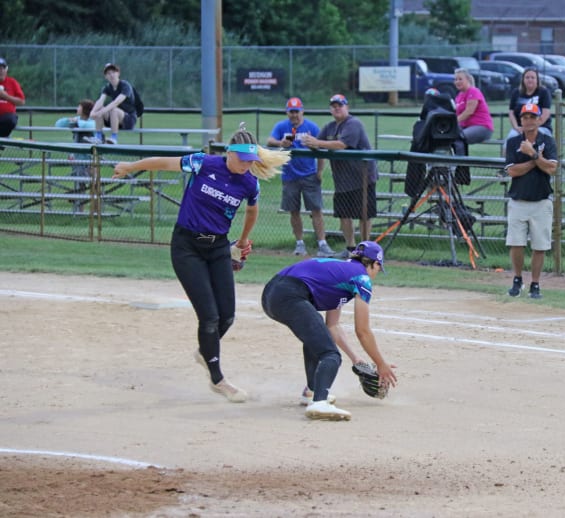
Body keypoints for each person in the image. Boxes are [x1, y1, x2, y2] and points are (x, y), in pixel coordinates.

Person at [112, 123, 290, 402]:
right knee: (209, 317)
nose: (247, 165)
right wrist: (130, 167)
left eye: (250, 160)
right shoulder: (203, 163)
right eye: (243, 159)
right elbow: (163, 162)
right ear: (229, 153)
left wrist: (242, 241)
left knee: (227, 316)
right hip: (187, 247)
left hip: (218, 247)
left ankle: (205, 350)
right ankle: (218, 379)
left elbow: (252, 210)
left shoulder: (249, 182)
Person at [261, 240, 397, 421]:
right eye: (379, 268)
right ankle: (319, 402)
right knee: (330, 354)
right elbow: (362, 331)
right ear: (375, 264)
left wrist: (356, 359)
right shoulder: (362, 278)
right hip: (289, 295)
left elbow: (332, 326)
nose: (377, 273)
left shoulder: (340, 271)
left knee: (316, 340)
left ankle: (311, 392)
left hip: (272, 294)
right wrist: (381, 364)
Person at [302, 94, 378, 258]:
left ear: (347, 107)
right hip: (342, 180)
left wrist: (317, 143)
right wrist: (307, 141)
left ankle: (365, 250)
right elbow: (317, 143)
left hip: (362, 178)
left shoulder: (353, 123)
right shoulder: (330, 127)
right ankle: (350, 249)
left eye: (340, 105)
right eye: (334, 106)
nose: (337, 108)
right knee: (344, 214)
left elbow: (342, 145)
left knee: (364, 215)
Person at [266, 97, 336, 258]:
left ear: (302, 111)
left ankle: (322, 244)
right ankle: (299, 243)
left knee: (316, 210)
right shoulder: (282, 126)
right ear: (287, 113)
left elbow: (321, 148)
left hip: (309, 174)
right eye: (291, 112)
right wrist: (280, 143)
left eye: (297, 111)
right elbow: (269, 140)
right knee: (294, 211)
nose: (294, 115)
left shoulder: (311, 127)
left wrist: (319, 171)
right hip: (290, 175)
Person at [504, 103, 558, 299]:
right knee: (516, 243)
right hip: (518, 199)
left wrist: (532, 154)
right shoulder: (513, 142)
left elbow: (552, 169)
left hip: (541, 200)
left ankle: (535, 283)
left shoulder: (547, 141)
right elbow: (512, 171)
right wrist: (536, 161)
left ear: (539, 120)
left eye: (532, 117)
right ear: (521, 120)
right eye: (525, 117)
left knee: (540, 245)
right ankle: (517, 279)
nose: (529, 121)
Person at [88, 63, 139, 144]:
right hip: (113, 119)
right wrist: (93, 112)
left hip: (129, 119)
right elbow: (100, 101)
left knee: (113, 109)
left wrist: (101, 112)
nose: (111, 75)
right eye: (108, 73)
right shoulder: (107, 87)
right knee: (99, 108)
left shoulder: (125, 85)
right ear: (106, 77)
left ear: (118, 73)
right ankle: (98, 137)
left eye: (113, 72)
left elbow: (116, 102)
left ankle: (114, 138)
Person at [507, 67, 552, 141]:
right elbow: (511, 112)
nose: (530, 79)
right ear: (523, 80)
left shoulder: (544, 92)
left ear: (537, 80)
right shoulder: (516, 92)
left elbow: (545, 114)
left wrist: (530, 128)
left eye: (532, 77)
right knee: (511, 138)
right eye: (527, 77)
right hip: (520, 128)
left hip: (540, 127)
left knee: (534, 139)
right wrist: (516, 127)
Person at [453, 68, 493, 145]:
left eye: (460, 79)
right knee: (447, 135)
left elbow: (469, 112)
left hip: (482, 127)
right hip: (466, 127)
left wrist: (453, 121)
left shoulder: (473, 91)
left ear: (468, 80)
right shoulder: (459, 96)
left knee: (459, 138)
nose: (457, 82)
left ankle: (459, 153)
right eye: (455, 79)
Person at [0, 56, 26, 138]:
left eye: (2, 68)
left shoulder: (12, 82)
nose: (1, 71)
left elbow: (21, 101)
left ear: (6, 69)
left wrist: (6, 96)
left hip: (7, 118)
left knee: (10, 119)